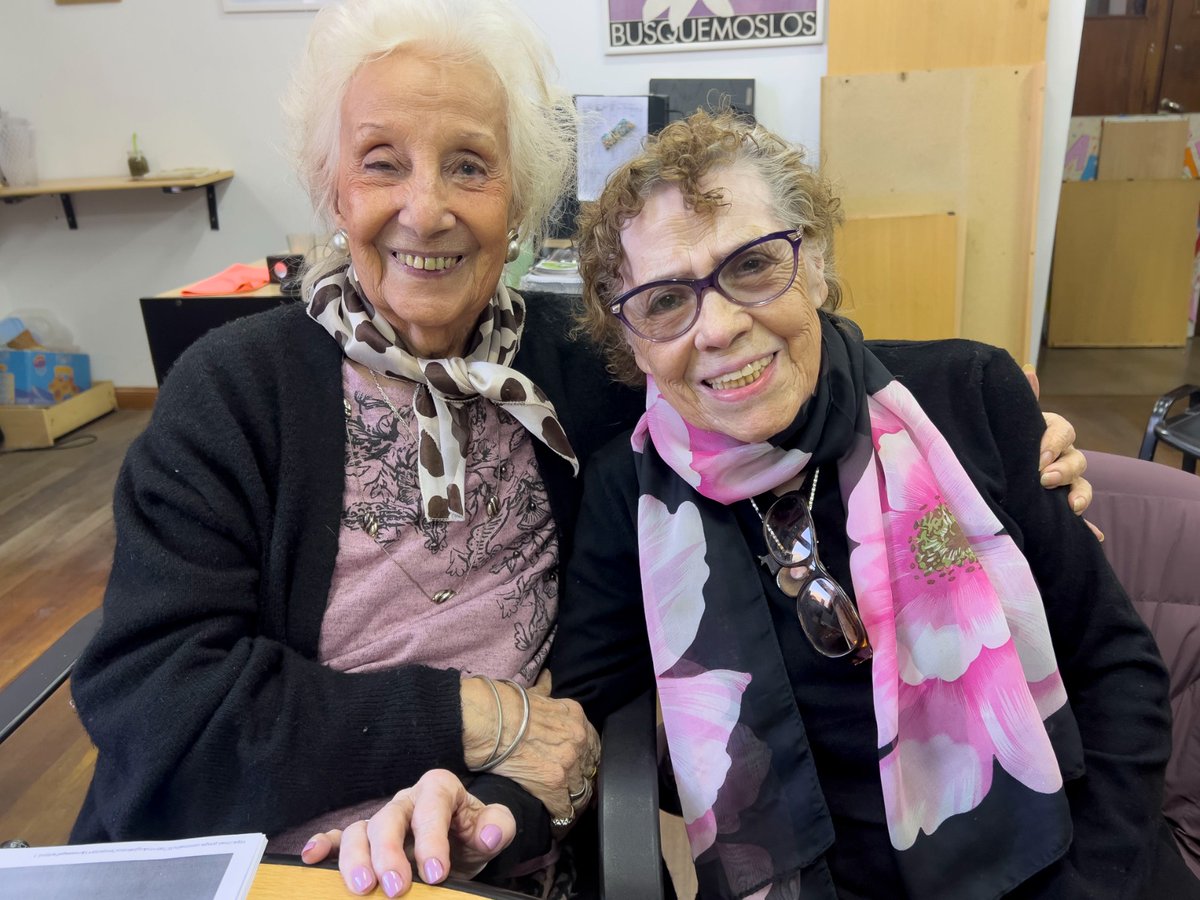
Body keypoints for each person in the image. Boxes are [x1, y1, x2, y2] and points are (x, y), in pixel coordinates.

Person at [68, 1, 1092, 896]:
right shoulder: (236, 393)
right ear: (333, 190)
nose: (425, 207)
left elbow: (753, 359)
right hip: (263, 858)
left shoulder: (587, 370)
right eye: (383, 163)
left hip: (499, 838)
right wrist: (473, 718)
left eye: (468, 164)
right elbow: (152, 699)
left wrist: (981, 429)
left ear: (517, 201)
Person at [544, 110, 1198, 899]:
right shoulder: (629, 490)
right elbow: (599, 710)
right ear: (632, 338)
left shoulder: (969, 399)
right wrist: (742, 776)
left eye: (752, 265)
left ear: (814, 264)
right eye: (664, 302)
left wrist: (1097, 880)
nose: (718, 327)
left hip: (1059, 855)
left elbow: (1115, 668)